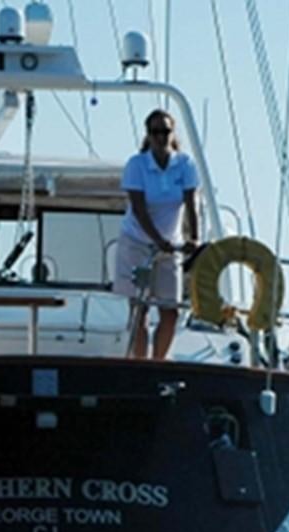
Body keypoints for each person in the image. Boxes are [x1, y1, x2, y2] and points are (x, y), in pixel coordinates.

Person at [114, 109, 200, 359]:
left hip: (170, 246)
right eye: (155, 132)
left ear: (172, 134)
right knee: (139, 309)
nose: (161, 137)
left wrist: (193, 238)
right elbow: (139, 209)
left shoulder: (185, 165)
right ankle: (140, 363)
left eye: (165, 131)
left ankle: (158, 362)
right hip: (137, 243)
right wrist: (157, 240)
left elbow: (190, 204)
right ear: (148, 136)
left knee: (170, 311)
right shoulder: (137, 165)